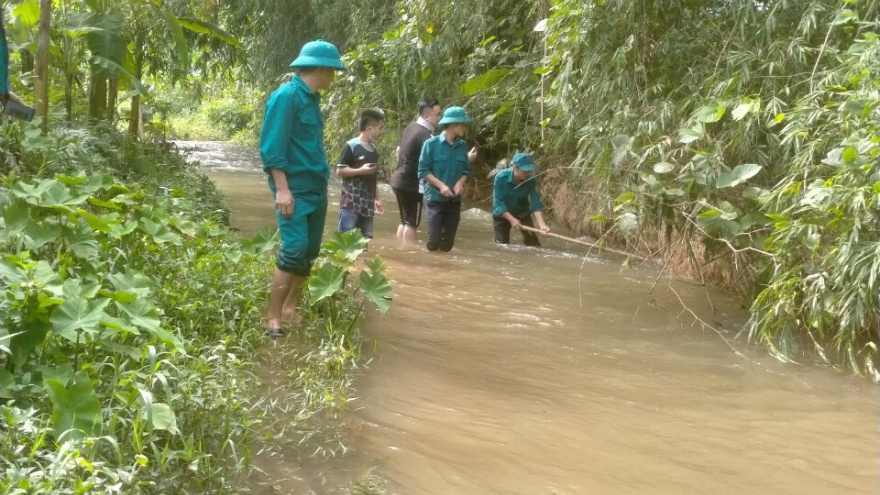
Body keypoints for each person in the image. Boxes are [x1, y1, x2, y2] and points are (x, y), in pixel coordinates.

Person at [259, 39, 346, 339]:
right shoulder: (286, 97)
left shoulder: (311, 99)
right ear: (321, 68)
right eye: (332, 71)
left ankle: (290, 308)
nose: (333, 77)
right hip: (293, 188)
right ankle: (272, 317)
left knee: (309, 251)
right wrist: (282, 189)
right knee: (294, 248)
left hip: (315, 187)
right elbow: (272, 148)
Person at [417, 106, 478, 252]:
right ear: (453, 124)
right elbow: (423, 171)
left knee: (448, 244)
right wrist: (441, 186)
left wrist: (460, 183)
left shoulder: (462, 146)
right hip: (435, 198)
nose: (465, 128)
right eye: (463, 124)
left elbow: (466, 170)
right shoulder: (431, 145)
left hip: (454, 200)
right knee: (434, 241)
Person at [390, 99, 442, 241]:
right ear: (427, 116)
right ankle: (409, 254)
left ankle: (401, 250)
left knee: (404, 220)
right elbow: (437, 162)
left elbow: (398, 150)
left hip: (398, 180)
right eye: (437, 114)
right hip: (411, 186)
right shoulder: (426, 136)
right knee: (412, 223)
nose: (439, 117)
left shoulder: (411, 127)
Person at [335, 108, 386, 239]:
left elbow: (373, 178)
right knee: (345, 242)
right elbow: (339, 170)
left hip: (367, 205)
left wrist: (378, 199)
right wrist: (360, 170)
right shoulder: (351, 146)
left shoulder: (374, 151)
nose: (382, 131)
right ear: (369, 129)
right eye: (380, 128)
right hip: (350, 203)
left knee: (363, 244)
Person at [492, 152, 550, 246]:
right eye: (525, 171)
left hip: (522, 213)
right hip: (502, 214)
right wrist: (511, 219)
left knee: (533, 245)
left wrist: (542, 225)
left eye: (529, 170)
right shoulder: (500, 177)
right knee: (502, 246)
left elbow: (536, 204)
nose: (527, 173)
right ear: (515, 168)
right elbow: (498, 204)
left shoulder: (531, 180)